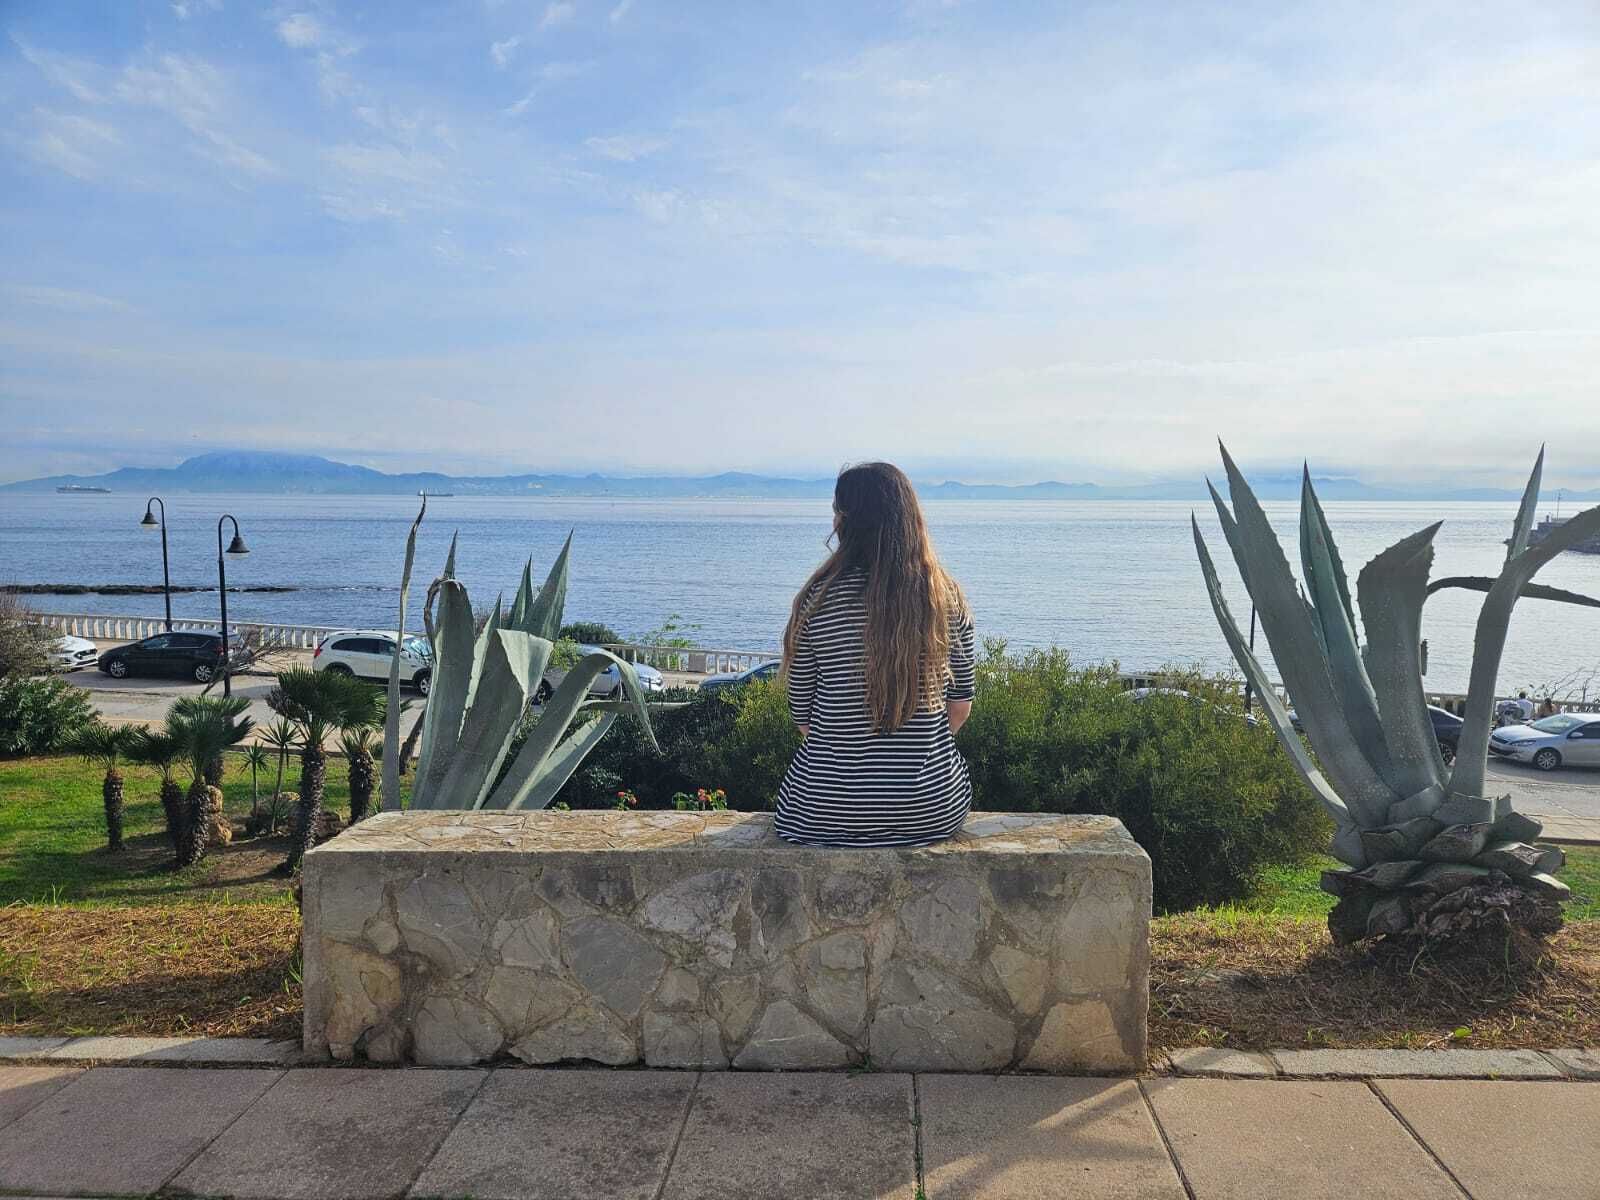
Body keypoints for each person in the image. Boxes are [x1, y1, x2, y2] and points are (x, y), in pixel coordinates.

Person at [775, 461, 976, 847]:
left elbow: (802, 717)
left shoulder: (816, 601)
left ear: (844, 521)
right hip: (928, 808)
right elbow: (959, 708)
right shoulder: (945, 601)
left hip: (823, 811)